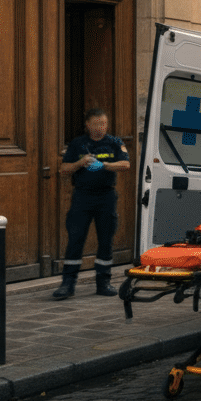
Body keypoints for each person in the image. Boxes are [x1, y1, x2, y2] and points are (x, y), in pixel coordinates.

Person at [53, 108, 130, 300]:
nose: (100, 128)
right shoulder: (78, 144)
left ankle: (103, 282)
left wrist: (103, 165)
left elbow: (125, 165)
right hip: (82, 197)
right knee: (75, 239)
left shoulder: (114, 143)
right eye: (96, 124)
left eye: (103, 124)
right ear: (88, 125)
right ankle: (67, 284)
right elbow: (63, 169)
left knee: (106, 240)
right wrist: (81, 162)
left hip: (106, 197)